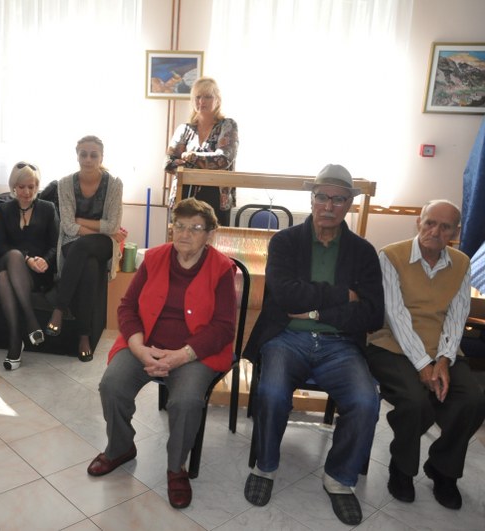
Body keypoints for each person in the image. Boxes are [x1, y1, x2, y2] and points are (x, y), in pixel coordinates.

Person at [242, 164, 383, 526]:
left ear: (349, 204)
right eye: (322, 197)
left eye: (338, 199)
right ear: (312, 198)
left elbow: (372, 314)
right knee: (272, 392)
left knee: (366, 401)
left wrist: (317, 311)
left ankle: (339, 479)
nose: (328, 206)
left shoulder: (364, 252)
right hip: (286, 337)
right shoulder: (285, 242)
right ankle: (265, 467)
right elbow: (286, 295)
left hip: (340, 345)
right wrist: (342, 296)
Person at [87, 198, 237, 509]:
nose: (185, 233)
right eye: (179, 226)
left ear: (210, 234)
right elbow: (127, 307)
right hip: (147, 344)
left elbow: (224, 327)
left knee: (185, 401)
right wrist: (139, 349)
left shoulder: (222, 268)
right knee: (112, 386)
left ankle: (176, 467)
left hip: (194, 353)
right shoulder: (154, 258)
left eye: (195, 228)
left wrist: (182, 355)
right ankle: (120, 447)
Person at [366, 200, 485, 510]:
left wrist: (443, 359)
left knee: (472, 400)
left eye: (445, 227)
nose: (435, 231)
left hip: (442, 347)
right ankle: (402, 469)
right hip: (391, 344)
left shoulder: (461, 263)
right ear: (418, 222)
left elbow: (457, 316)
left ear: (455, 233)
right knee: (415, 401)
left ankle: (443, 470)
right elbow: (395, 315)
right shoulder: (391, 256)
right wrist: (424, 365)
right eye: (430, 222)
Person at [45, 135, 125, 362]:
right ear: (77, 155)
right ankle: (84, 336)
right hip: (73, 242)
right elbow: (68, 227)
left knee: (83, 247)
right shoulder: (65, 183)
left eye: (93, 155)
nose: (88, 159)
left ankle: (59, 308)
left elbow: (113, 225)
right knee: (88, 265)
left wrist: (82, 221)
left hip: (103, 244)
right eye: (84, 154)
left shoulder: (114, 184)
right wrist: (99, 229)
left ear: (101, 157)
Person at [0, 161, 59, 370]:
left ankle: (15, 342)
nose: (27, 192)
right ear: (14, 186)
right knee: (13, 255)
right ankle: (31, 320)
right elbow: (0, 244)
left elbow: (55, 244)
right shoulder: (3, 209)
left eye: (32, 186)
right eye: (22, 187)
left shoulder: (48, 208)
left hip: (36, 273)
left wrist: (45, 260)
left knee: (4, 278)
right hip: (7, 260)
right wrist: (27, 258)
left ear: (37, 186)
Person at [165, 76, 239, 227]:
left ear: (217, 100)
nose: (201, 101)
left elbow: (223, 160)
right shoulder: (184, 129)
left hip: (215, 197)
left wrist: (191, 157)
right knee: (181, 239)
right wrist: (201, 162)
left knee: (213, 239)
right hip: (183, 197)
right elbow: (168, 163)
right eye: (198, 97)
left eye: (207, 97)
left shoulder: (228, 125)